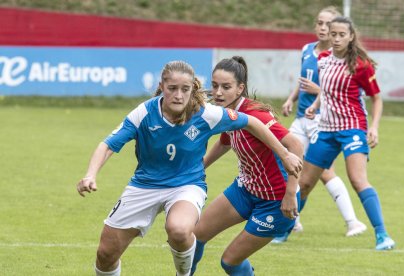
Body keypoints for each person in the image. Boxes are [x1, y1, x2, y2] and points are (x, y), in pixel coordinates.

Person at [76, 60, 303, 276]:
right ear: (161, 87)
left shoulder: (214, 113)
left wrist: (287, 169)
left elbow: (263, 128)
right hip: (161, 186)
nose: (178, 94)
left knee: (204, 244)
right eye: (215, 86)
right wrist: (90, 174)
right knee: (106, 252)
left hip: (263, 196)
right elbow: (109, 144)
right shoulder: (145, 113)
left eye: (184, 89)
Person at [190, 56, 304, 276]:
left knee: (230, 262)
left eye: (226, 87)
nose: (219, 92)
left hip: (276, 200)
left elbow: (295, 146)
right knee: (194, 237)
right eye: (215, 86)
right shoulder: (227, 113)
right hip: (246, 189)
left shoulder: (255, 114)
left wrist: (291, 193)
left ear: (240, 88)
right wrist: (198, 168)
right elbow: (225, 141)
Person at [301, 16, 395, 250]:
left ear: (351, 36)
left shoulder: (361, 65)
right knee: (304, 183)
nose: (336, 38)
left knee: (357, 179)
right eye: (333, 34)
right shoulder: (323, 60)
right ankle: (282, 229)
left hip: (352, 128)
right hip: (326, 129)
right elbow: (326, 91)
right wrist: (315, 106)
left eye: (342, 34)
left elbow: (376, 99)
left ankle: (382, 235)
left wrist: (373, 127)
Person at [276, 6, 366, 240]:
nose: (323, 28)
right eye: (319, 23)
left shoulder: (340, 59)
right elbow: (302, 80)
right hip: (301, 118)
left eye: (328, 24)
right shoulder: (307, 50)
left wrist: (319, 92)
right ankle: (293, 220)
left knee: (324, 172)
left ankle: (352, 221)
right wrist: (290, 99)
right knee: (287, 161)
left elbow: (334, 90)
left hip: (324, 120)